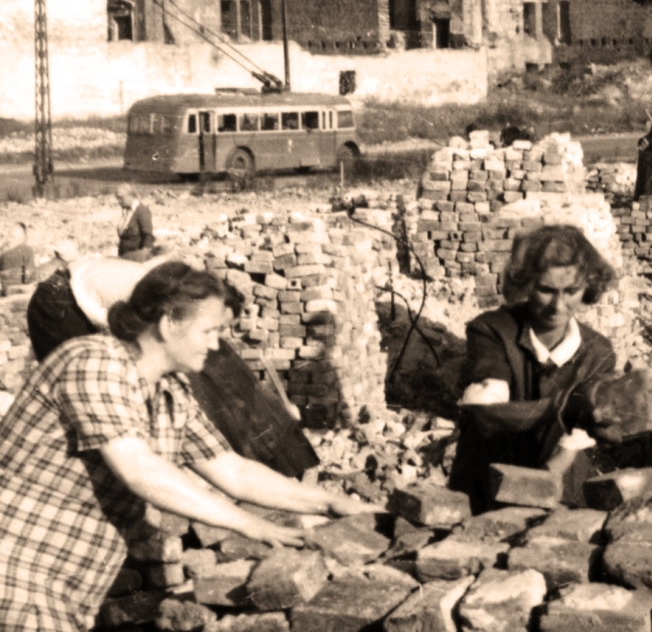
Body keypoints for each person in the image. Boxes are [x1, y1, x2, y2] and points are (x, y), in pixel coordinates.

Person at [0, 262, 374, 631]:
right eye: (208, 330)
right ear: (168, 323)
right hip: (17, 568)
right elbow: (140, 470)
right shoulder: (93, 363)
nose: (215, 345)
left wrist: (328, 503)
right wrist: (249, 524)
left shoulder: (171, 391)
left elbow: (234, 470)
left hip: (71, 587)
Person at [25, 255, 319, 479]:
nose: (216, 339)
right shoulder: (152, 296)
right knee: (87, 396)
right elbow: (138, 346)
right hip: (58, 300)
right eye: (212, 328)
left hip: (85, 289)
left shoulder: (175, 299)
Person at [449, 225, 652, 513]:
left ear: (588, 286)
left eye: (571, 291)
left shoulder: (597, 350)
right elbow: (484, 414)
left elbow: (570, 447)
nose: (558, 306)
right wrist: (561, 407)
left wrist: (540, 489)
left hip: (558, 476)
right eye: (546, 290)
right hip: (484, 476)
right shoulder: (492, 331)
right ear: (526, 284)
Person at [115, 184, 156, 261]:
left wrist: (143, 253)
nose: (118, 201)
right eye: (117, 198)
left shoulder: (141, 211)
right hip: (124, 256)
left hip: (135, 257)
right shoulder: (126, 210)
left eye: (121, 198)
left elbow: (148, 235)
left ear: (130, 195)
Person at [0, 222, 35, 295]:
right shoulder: (3, 249)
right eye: (9, 235)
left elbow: (30, 277)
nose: (9, 239)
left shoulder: (26, 250)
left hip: (15, 293)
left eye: (13, 237)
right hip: (8, 292)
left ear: (22, 239)